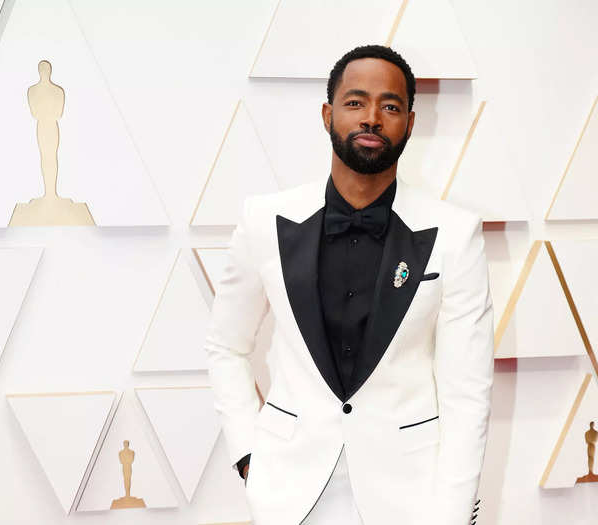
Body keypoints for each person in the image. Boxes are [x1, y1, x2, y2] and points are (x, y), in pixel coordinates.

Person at [204, 44, 493, 525]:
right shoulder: (263, 221)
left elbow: (468, 394)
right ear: (327, 114)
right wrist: (250, 456)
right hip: (287, 494)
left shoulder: (455, 233)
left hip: (409, 498)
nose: (373, 117)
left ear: (410, 123)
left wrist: (453, 514)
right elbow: (225, 346)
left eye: (391, 105)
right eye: (356, 101)